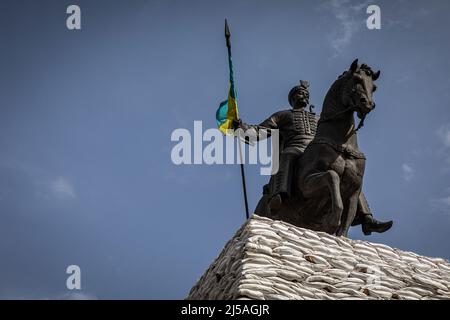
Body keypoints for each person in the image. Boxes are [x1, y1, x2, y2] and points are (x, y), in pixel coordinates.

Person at [234, 81, 393, 235]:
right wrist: (242, 128)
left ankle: (366, 217)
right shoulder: (282, 115)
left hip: (321, 150)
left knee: (351, 172)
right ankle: (279, 195)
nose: (302, 95)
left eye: (304, 94)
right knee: (288, 155)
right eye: (298, 94)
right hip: (297, 148)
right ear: (292, 99)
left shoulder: (319, 118)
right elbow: (260, 131)